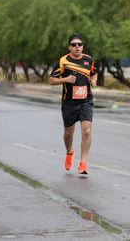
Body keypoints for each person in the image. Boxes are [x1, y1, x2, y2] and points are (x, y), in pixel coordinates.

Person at [49, 34, 97, 175]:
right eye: (74, 44)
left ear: (83, 46)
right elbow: (52, 80)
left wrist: (93, 81)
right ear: (69, 46)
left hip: (86, 100)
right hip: (69, 101)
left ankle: (83, 163)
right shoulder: (63, 61)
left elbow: (94, 74)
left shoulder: (89, 60)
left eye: (79, 44)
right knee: (68, 133)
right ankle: (69, 152)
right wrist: (66, 79)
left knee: (86, 130)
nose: (77, 47)